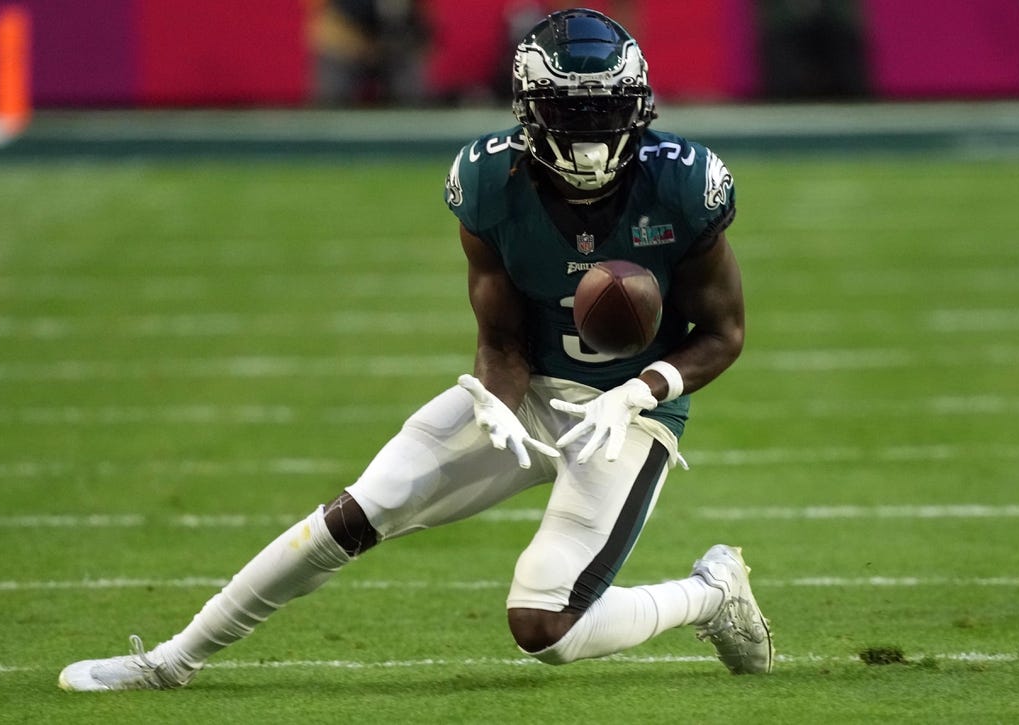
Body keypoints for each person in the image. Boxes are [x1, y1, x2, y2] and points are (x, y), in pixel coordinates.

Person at [57, 8, 773, 692]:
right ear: (530, 114)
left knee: (547, 626)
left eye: (606, 115)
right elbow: (500, 339)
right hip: (527, 392)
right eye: (573, 116)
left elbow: (723, 333)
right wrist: (495, 396)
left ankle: (710, 594)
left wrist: (641, 390)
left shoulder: (683, 183)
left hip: (626, 413)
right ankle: (172, 660)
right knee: (357, 511)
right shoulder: (490, 182)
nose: (591, 140)